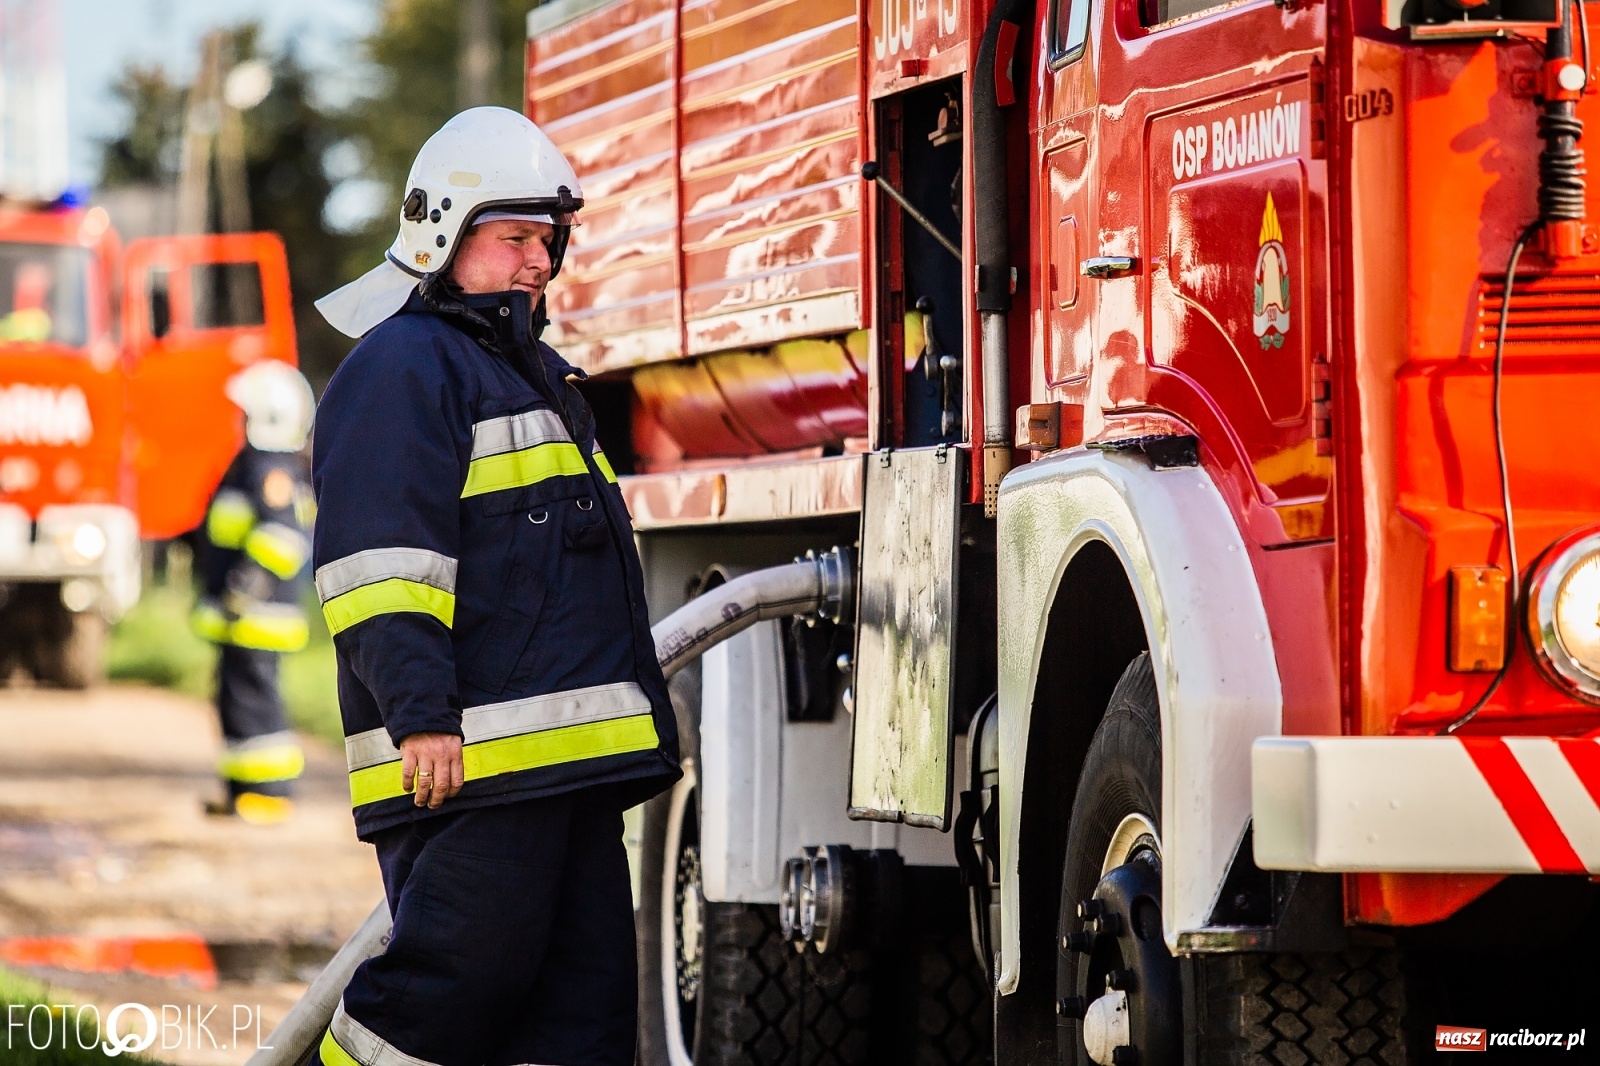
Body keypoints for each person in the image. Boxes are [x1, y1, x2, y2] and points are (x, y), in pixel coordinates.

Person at [309, 106, 680, 1066]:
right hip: (469, 771)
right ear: (441, 233)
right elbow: (381, 570)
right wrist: (421, 716)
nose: (539, 262)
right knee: (436, 1003)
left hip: (569, 777)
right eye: (513, 237)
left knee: (585, 1021)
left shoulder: (532, 376)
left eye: (548, 241)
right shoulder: (402, 368)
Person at [193, 359, 316, 825]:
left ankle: (269, 793)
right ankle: (242, 791)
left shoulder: (268, 468)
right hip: (241, 617)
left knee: (255, 701)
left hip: (256, 615)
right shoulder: (258, 463)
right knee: (235, 701)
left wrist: (242, 592)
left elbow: (282, 539)